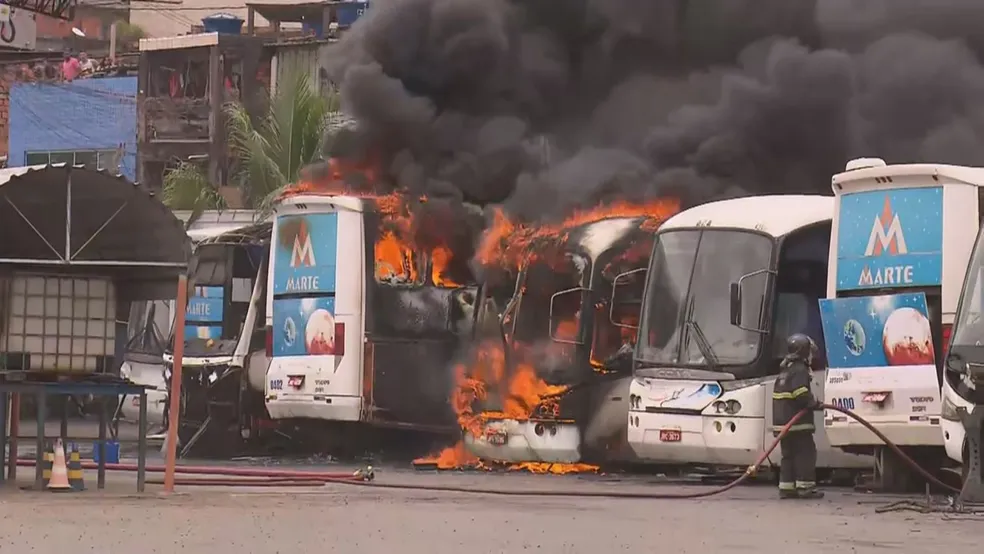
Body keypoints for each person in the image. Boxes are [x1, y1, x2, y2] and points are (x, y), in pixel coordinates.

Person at [772, 333, 824, 500]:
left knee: (788, 456)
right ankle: (805, 487)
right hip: (797, 423)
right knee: (805, 454)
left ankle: (786, 487)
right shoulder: (800, 369)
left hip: (782, 424)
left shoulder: (785, 370)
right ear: (803, 351)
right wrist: (814, 403)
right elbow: (800, 393)